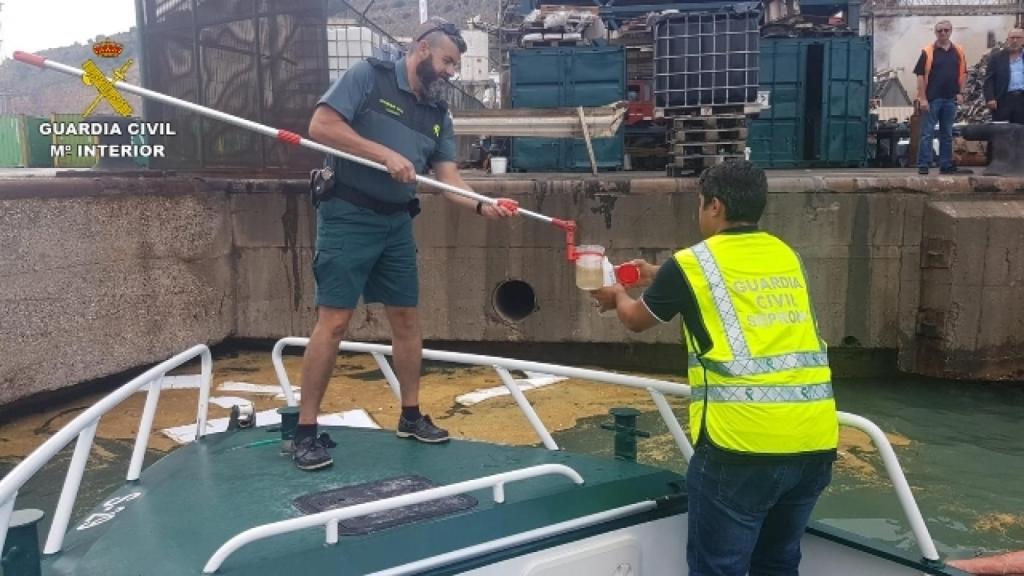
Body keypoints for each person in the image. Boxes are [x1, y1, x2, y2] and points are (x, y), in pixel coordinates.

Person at [591, 161, 839, 576]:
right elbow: (735, 279)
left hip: (740, 447)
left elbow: (636, 319)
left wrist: (616, 294)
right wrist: (658, 273)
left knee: (718, 568)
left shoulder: (690, 265)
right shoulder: (786, 255)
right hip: (814, 443)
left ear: (715, 207)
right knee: (778, 564)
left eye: (701, 203)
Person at [296, 18, 517, 471]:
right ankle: (305, 431)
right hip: (347, 214)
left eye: (456, 64)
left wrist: (482, 205)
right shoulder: (367, 77)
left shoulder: (438, 116)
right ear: (420, 50)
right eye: (448, 61)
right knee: (334, 322)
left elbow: (448, 178)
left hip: (397, 223)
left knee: (407, 319)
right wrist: (383, 154)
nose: (453, 72)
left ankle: (410, 416)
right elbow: (320, 125)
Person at [913, 20, 968, 175]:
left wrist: (961, 93)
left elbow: (964, 73)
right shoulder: (928, 51)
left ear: (951, 31)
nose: (943, 33)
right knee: (927, 133)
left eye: (946, 30)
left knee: (947, 133)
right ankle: (924, 163)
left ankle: (945, 163)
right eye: (939, 31)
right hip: (932, 99)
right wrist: (923, 98)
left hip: (950, 99)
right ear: (935, 33)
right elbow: (920, 76)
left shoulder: (958, 51)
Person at [983, 28, 1024, 124]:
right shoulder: (996, 57)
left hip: (1022, 100)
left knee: (1021, 132)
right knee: (1001, 131)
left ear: (1023, 40)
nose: (1015, 41)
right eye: (1012, 38)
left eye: (1018, 38)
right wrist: (990, 98)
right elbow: (989, 80)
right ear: (1008, 39)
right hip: (1003, 100)